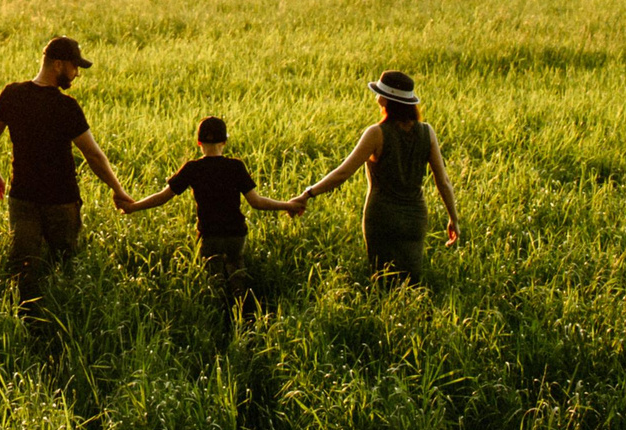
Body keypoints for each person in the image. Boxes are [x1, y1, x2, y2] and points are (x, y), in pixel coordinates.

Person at [0, 36, 136, 307]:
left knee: (23, 271)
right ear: (58, 65)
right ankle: (63, 316)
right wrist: (118, 189)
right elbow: (94, 156)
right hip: (61, 202)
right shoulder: (66, 106)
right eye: (74, 67)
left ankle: (25, 318)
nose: (76, 74)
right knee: (64, 267)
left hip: (23, 199)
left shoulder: (12, 94)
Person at [121, 115, 303, 315]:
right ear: (224, 141)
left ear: (199, 142)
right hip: (236, 234)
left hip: (209, 235)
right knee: (237, 275)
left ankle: (218, 318)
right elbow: (256, 202)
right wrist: (288, 205)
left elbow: (163, 197)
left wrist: (133, 206)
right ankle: (244, 317)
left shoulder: (192, 168)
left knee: (213, 281)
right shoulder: (235, 166)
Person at [293, 70, 460, 285]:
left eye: (379, 93)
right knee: (412, 281)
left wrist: (309, 193)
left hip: (382, 218)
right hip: (415, 218)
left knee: (382, 280)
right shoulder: (427, 132)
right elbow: (443, 181)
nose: (375, 96)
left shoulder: (376, 133)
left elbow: (344, 172)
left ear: (387, 100)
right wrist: (453, 218)